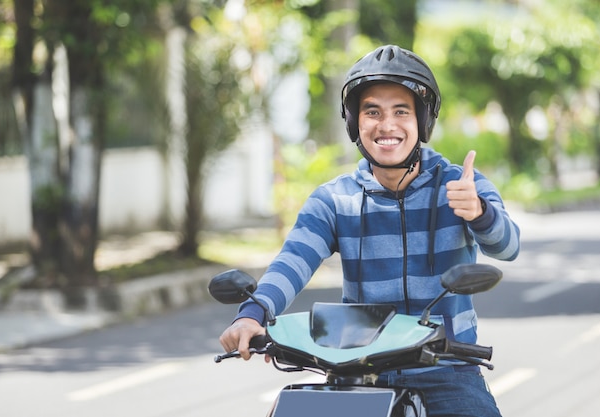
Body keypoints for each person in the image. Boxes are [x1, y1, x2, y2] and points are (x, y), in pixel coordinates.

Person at [220, 44, 520, 417]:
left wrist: (478, 212)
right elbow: (293, 260)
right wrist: (253, 313)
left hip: (444, 371)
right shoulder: (334, 200)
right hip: (355, 371)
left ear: (423, 121)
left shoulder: (462, 186)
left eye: (401, 111)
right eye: (372, 111)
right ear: (354, 122)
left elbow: (508, 246)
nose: (387, 125)